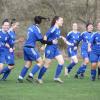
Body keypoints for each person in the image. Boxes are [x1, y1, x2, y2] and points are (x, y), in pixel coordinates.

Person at [17, 16, 56, 83]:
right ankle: (30, 76)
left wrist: (44, 18)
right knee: (40, 62)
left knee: (28, 63)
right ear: (40, 22)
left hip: (26, 47)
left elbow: (36, 37)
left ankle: (20, 78)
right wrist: (51, 42)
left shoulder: (30, 27)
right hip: (30, 47)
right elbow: (42, 41)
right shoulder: (37, 29)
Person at [37, 16, 64, 84]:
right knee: (47, 64)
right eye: (61, 20)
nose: (62, 22)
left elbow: (55, 37)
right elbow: (46, 36)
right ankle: (39, 78)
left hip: (55, 48)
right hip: (50, 48)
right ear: (56, 21)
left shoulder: (58, 29)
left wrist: (61, 37)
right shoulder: (53, 28)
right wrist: (43, 45)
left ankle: (56, 77)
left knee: (61, 62)